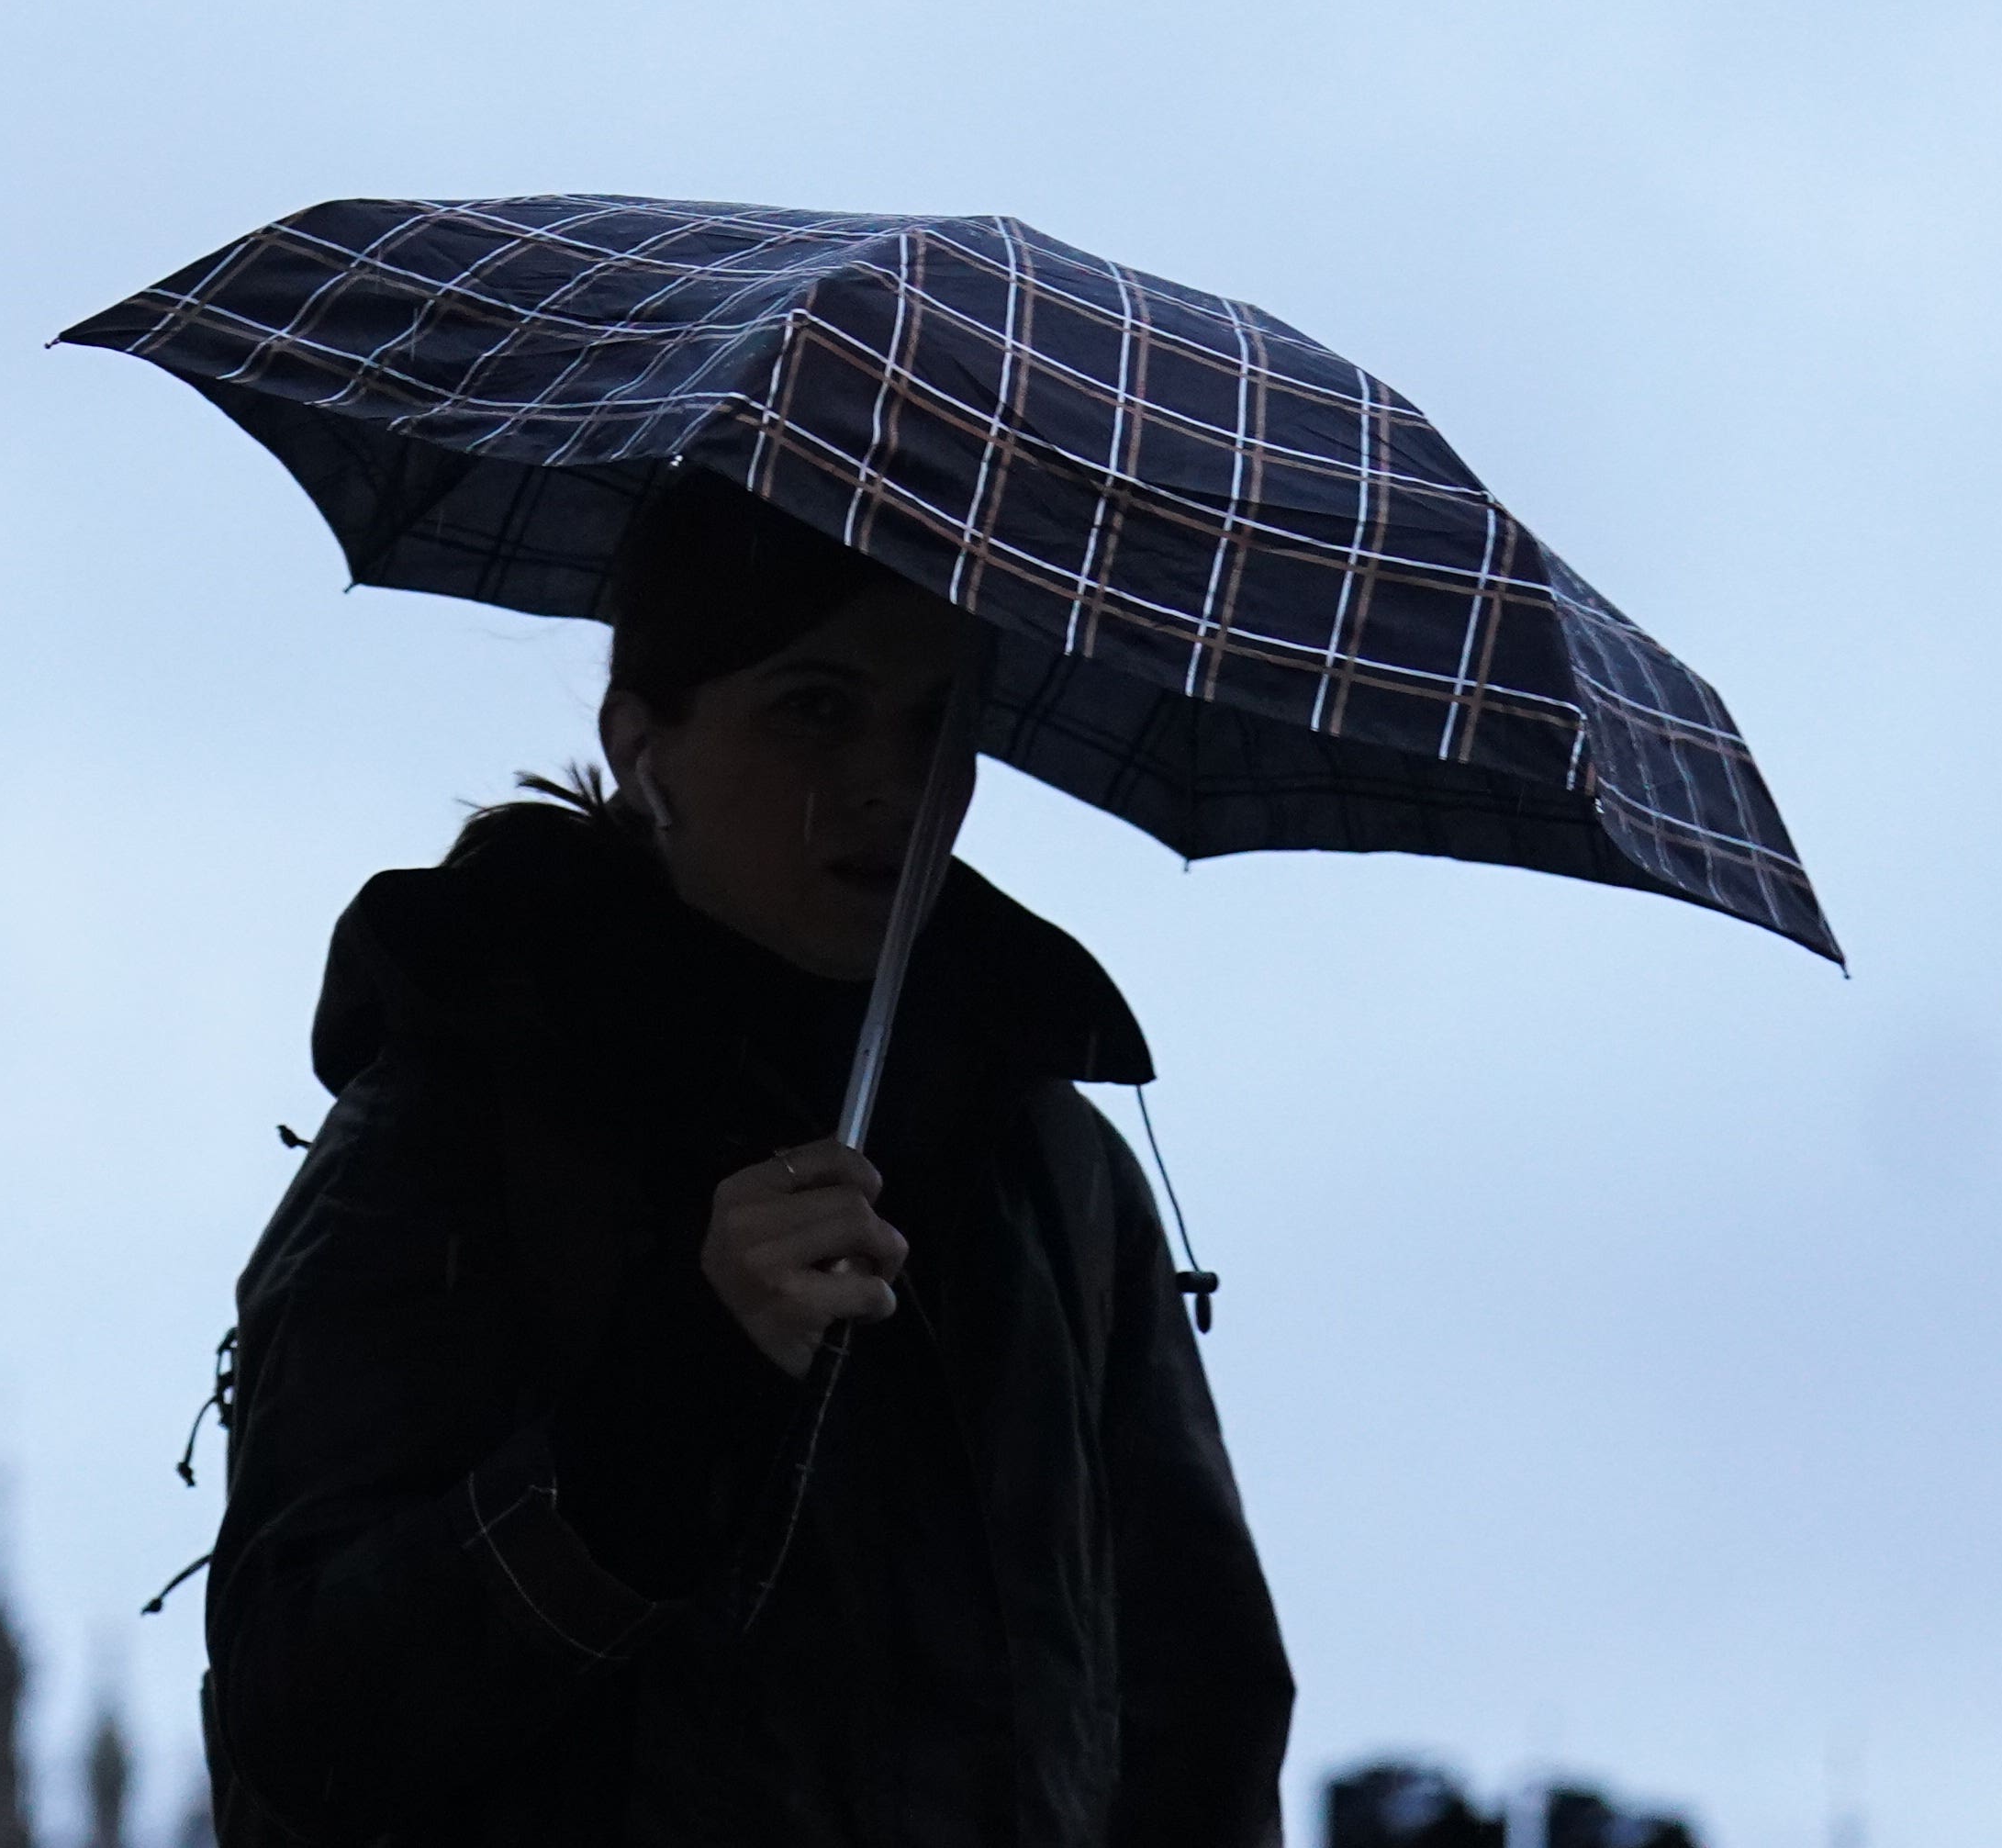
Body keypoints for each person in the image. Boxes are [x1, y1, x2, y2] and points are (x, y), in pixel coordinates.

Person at [201, 474, 1292, 1848]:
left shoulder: (1053, 1182)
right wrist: (681, 1393)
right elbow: (305, 1715)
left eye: (936, 719)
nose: (891, 785)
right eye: (815, 709)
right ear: (645, 744)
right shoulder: (465, 1117)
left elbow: (1198, 1717)